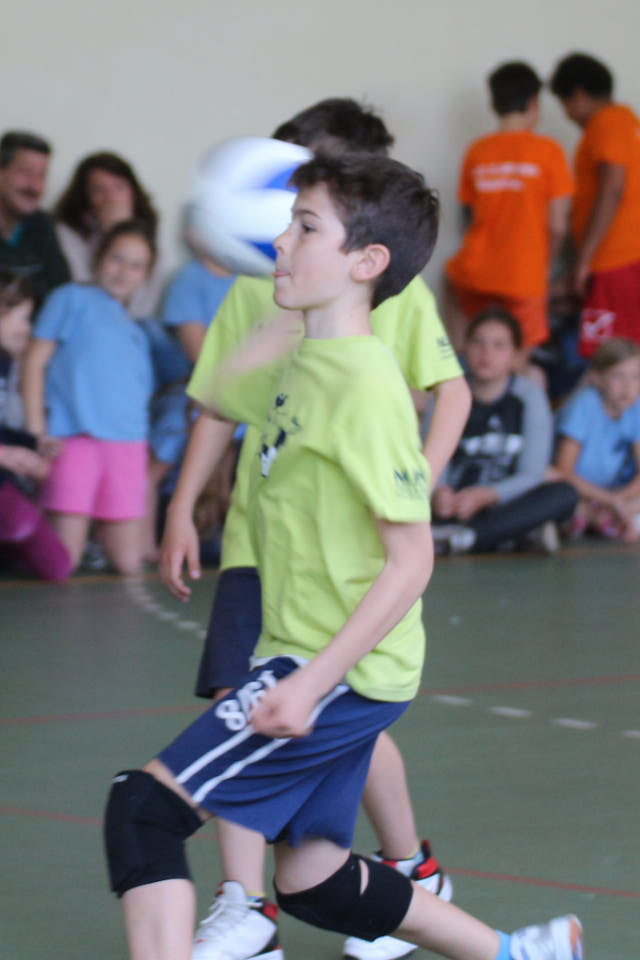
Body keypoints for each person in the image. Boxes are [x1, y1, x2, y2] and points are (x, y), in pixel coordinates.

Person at [105, 152, 583, 960]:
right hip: (315, 658)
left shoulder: (364, 390)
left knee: (141, 812)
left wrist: (310, 684)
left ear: (366, 263)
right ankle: (515, 955)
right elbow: (218, 396)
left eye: (305, 227)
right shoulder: (303, 356)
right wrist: (260, 293)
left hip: (330, 671)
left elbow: (412, 561)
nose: (280, 242)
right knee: (312, 875)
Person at [161, 98, 469, 960]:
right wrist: (182, 506)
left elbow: (448, 394)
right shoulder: (264, 286)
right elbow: (220, 403)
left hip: (346, 563)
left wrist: (412, 488)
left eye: (307, 209)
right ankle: (248, 903)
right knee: (249, 705)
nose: (288, 223)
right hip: (262, 544)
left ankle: (406, 868)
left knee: (334, 714)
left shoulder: (383, 301)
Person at [21, 220, 155, 574]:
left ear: (146, 274)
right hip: (75, 442)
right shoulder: (70, 298)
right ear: (98, 258)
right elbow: (34, 362)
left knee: (129, 564)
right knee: (64, 561)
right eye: (117, 258)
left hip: (128, 447)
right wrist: (36, 431)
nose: (123, 271)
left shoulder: (136, 332)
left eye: (136, 265)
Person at [445, 61, 574, 357]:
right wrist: (545, 268)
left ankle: (459, 363)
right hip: (524, 274)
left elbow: (470, 215)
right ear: (534, 103)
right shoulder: (549, 151)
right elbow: (558, 225)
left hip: (475, 272)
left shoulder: (477, 150)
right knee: (515, 360)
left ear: (493, 104)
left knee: (474, 348)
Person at [431, 308, 578, 556]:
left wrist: (488, 495)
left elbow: (532, 472)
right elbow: (430, 455)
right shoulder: (448, 393)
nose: (486, 353)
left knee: (564, 494)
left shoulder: (530, 396)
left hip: (505, 502)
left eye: (499, 345)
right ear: (464, 348)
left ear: (515, 355)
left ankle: (464, 537)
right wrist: (440, 491)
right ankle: (508, 535)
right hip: (453, 503)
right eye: (478, 342)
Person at [550, 52, 640, 355]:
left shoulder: (606, 122)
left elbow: (612, 187)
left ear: (578, 95)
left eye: (565, 105)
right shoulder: (627, 121)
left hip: (614, 258)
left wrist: (584, 260)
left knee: (612, 358)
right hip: (627, 258)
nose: (568, 115)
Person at [0, 269, 71, 580]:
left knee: (58, 565)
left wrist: (33, 443)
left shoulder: (4, 362)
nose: (26, 329)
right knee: (19, 522)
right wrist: (6, 455)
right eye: (23, 318)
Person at [54, 151, 164, 318]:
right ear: (85, 198)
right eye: (99, 190)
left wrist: (127, 233)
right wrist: (110, 235)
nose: (111, 198)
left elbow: (142, 309)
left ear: (133, 192)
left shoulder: (148, 238)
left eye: (119, 187)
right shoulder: (67, 233)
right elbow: (81, 293)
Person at [554, 337, 640, 541]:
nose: (627, 386)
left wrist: (620, 499)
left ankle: (605, 518)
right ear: (596, 377)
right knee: (553, 485)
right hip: (577, 490)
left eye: (636, 377)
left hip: (613, 493)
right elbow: (564, 471)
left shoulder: (636, 408)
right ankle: (591, 517)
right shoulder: (583, 404)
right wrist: (611, 500)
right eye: (618, 376)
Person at [0, 131, 70, 301]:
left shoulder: (41, 223)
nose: (35, 186)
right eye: (26, 173)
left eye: (42, 175)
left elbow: (62, 292)